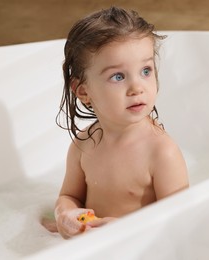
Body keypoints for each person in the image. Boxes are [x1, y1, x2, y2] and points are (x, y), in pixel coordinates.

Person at [54, 6, 189, 239]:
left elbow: (182, 223)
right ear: (83, 91)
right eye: (118, 76)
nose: (137, 88)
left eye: (146, 70)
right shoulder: (83, 145)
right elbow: (69, 196)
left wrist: (125, 230)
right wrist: (64, 215)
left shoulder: (161, 152)